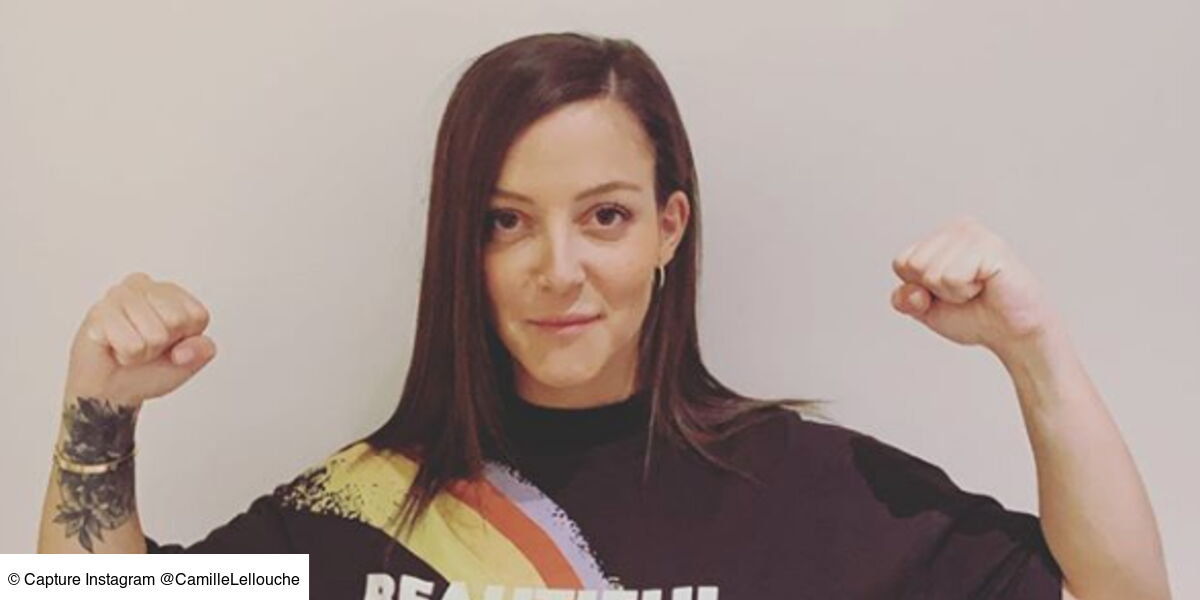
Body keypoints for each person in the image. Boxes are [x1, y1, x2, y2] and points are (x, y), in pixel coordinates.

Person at [37, 32, 1170, 600]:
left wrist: (1033, 351)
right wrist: (98, 411)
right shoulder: (362, 506)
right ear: (462, 245)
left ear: (670, 228)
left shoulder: (810, 493)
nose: (559, 270)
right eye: (506, 221)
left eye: (606, 216)